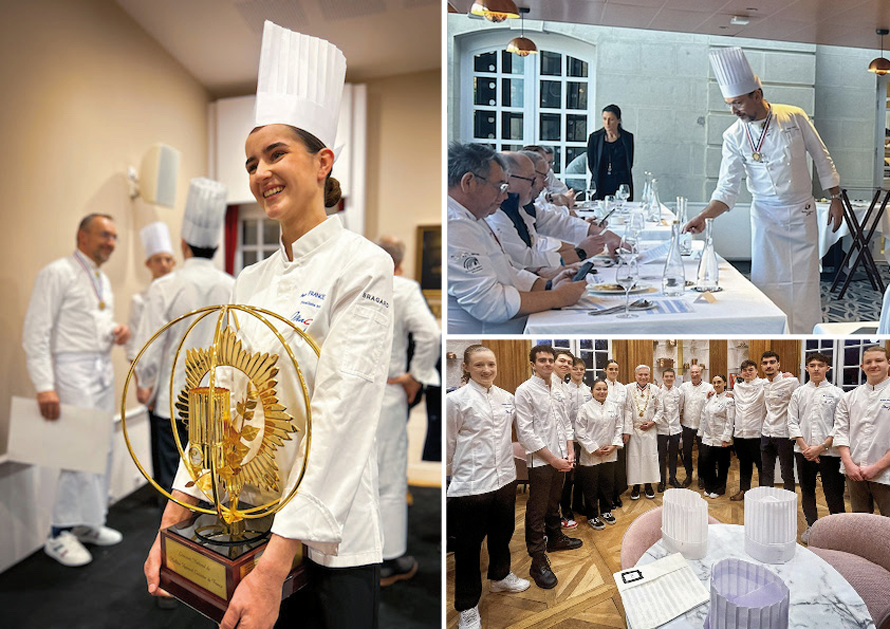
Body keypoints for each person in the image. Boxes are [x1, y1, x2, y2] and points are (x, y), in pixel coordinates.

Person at [143, 23, 394, 629]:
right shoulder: (248, 281)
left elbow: (341, 415)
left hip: (324, 538)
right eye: (252, 162)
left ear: (322, 162)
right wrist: (172, 520)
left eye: (276, 154)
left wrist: (277, 565)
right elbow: (221, 404)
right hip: (247, 520)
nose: (259, 173)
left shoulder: (363, 266)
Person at [684, 47, 842, 334]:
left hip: (801, 211)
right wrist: (705, 216)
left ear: (756, 94)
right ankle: (774, 338)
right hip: (766, 218)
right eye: (729, 104)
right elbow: (727, 188)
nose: (733, 111)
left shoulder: (793, 116)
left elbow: (821, 155)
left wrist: (835, 198)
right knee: (768, 283)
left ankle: (807, 338)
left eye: (737, 103)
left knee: (805, 286)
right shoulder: (732, 135)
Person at [22, 213, 130, 566]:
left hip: (98, 370)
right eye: (104, 235)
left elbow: (88, 322)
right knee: (75, 453)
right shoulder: (56, 273)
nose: (110, 242)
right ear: (82, 236)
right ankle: (58, 533)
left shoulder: (99, 278)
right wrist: (44, 386)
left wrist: (115, 331)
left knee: (101, 449)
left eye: (114, 236)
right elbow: (35, 333)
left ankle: (87, 523)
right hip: (71, 373)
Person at [133, 178, 234, 498]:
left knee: (171, 489)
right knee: (207, 486)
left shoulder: (165, 286)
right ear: (216, 245)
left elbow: (149, 348)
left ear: (183, 244)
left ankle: (170, 545)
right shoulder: (233, 285)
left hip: (171, 400)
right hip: (215, 399)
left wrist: (145, 384)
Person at [447, 142, 587, 333]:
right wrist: (558, 297)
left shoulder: (472, 216)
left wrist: (547, 285)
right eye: (500, 186)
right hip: (487, 336)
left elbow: (506, 270)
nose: (505, 196)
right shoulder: (454, 225)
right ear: (468, 182)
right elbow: (490, 304)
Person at [446, 345, 530, 629]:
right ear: (466, 368)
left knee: (502, 534)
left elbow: (525, 430)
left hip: (505, 479)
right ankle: (467, 606)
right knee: (468, 548)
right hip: (471, 484)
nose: (486, 370)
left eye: (491, 365)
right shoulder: (455, 400)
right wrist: (446, 477)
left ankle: (500, 576)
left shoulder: (507, 398)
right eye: (479, 365)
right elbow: (447, 444)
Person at [375, 235, 441, 586]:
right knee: (388, 479)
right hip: (387, 393)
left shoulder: (352, 282)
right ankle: (388, 560)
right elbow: (430, 334)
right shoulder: (402, 287)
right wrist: (416, 376)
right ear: (400, 263)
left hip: (350, 393)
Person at [514, 345, 582, 590]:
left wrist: (570, 450)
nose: (547, 364)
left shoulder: (558, 389)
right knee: (537, 508)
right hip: (542, 460)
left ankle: (555, 538)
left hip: (562, 456)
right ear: (532, 363)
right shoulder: (524, 391)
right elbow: (526, 434)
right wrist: (553, 458)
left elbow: (565, 423)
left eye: (550, 360)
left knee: (554, 502)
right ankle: (537, 559)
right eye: (541, 360)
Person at [787, 352, 846, 543]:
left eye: (820, 365)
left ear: (827, 368)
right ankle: (812, 526)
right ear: (807, 368)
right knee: (807, 490)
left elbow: (841, 424)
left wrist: (820, 447)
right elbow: (792, 422)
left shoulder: (838, 394)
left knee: (833, 492)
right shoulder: (799, 393)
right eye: (812, 365)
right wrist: (806, 448)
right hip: (803, 451)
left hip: (830, 453)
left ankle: (838, 531)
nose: (816, 368)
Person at [834, 345, 890, 516]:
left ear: (888, 363)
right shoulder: (849, 397)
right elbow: (840, 431)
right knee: (860, 522)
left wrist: (877, 467)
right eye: (868, 362)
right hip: (854, 471)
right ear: (862, 367)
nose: (873, 365)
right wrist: (849, 464)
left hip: (886, 472)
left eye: (879, 360)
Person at [574, 379, 623, 531]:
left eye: (604, 389)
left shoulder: (614, 407)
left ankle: (606, 511)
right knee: (591, 486)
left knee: (607, 484)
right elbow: (580, 432)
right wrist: (594, 449)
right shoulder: (585, 408)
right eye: (598, 389)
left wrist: (614, 445)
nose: (602, 392)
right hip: (591, 455)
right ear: (592, 391)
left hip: (609, 453)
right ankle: (592, 515)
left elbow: (619, 427)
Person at [125, 222, 175, 363]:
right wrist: (139, 381)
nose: (164, 264)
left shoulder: (179, 297)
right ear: (148, 264)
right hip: (148, 371)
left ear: (174, 263)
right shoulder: (139, 300)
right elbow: (132, 346)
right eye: (158, 260)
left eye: (167, 259)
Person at [759, 351, 799, 492]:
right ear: (761, 366)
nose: (768, 366)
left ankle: (789, 504)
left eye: (772, 362)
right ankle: (767, 501)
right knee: (766, 471)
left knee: (787, 472)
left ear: (778, 364)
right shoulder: (762, 383)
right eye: (765, 363)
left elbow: (799, 405)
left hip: (784, 433)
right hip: (766, 432)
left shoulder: (791, 382)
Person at [624, 365, 663, 500]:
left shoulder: (656, 389)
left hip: (650, 430)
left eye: (646, 374)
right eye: (640, 374)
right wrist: (627, 431)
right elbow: (627, 410)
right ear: (635, 375)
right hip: (635, 429)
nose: (643, 377)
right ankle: (635, 486)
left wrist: (653, 422)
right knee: (634, 459)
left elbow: (661, 409)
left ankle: (648, 485)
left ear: (649, 375)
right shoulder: (628, 388)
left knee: (649, 458)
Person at [729, 360, 765, 501]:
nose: (747, 372)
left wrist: (786, 375)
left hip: (756, 432)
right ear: (741, 373)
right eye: (744, 370)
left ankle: (762, 493)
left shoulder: (764, 384)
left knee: (761, 465)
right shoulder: (737, 387)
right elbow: (727, 395)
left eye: (750, 369)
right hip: (740, 433)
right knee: (744, 464)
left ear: (756, 371)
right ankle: (744, 490)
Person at [586, 104, 634, 201]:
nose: (607, 123)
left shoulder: (627, 137)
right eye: (604, 119)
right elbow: (591, 163)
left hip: (621, 182)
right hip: (601, 181)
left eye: (611, 119)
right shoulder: (595, 138)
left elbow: (629, 162)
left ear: (618, 120)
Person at [698, 375, 735, 499]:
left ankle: (720, 488)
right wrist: (701, 433)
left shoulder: (729, 400)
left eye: (719, 382)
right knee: (707, 462)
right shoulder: (709, 397)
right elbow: (704, 416)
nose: (717, 384)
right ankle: (709, 486)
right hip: (708, 437)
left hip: (721, 438)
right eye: (714, 382)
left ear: (724, 383)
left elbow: (730, 421)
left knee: (723, 465)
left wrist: (726, 438)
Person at [678, 365, 713, 489]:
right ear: (689, 373)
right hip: (687, 425)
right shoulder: (683, 387)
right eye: (692, 372)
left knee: (702, 454)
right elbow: (679, 405)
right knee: (686, 452)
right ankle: (688, 475)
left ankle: (701, 477)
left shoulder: (709, 387)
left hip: (702, 426)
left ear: (701, 373)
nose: (695, 374)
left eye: (697, 372)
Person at [603, 359, 628, 507]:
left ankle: (617, 494)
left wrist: (626, 431)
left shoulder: (623, 388)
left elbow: (627, 410)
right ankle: (607, 496)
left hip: (620, 430)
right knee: (607, 467)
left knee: (619, 465)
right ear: (605, 370)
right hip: (604, 431)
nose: (613, 372)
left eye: (615, 369)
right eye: (610, 369)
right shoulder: (601, 387)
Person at [657, 368, 682, 492]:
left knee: (673, 456)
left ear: (674, 378)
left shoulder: (679, 392)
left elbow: (680, 407)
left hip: (675, 429)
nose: (668, 378)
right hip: (661, 429)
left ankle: (673, 477)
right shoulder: (657, 392)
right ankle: (662, 480)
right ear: (662, 377)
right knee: (661, 456)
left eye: (671, 376)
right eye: (666, 376)